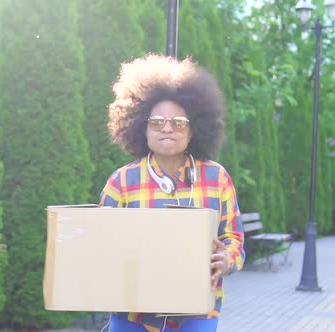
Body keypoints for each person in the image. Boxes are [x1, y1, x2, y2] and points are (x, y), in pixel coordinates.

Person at [99, 54, 245, 332]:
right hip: (133, 314)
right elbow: (103, 246)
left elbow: (234, 239)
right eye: (156, 122)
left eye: (178, 122)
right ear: (142, 127)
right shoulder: (121, 181)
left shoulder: (217, 178)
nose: (167, 128)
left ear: (193, 132)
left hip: (198, 311)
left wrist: (226, 258)